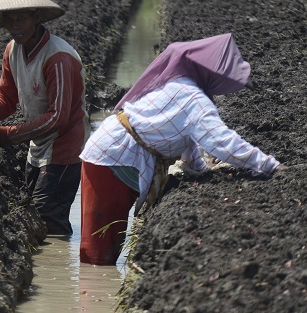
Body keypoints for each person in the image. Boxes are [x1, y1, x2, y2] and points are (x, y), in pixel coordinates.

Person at [79, 33, 282, 265]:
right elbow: (221, 141)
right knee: (98, 252)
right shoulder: (193, 98)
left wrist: (199, 168)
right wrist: (269, 165)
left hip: (114, 151)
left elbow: (186, 139)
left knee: (106, 243)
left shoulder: (180, 86)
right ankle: (93, 293)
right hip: (112, 157)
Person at [0, 0, 88, 236]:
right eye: (9, 20)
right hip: (37, 143)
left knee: (49, 220)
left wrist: (6, 134)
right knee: (34, 214)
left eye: (21, 19)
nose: (15, 27)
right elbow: (7, 97)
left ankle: (58, 273)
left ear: (36, 17)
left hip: (64, 147)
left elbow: (58, 118)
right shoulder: (12, 50)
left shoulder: (58, 58)